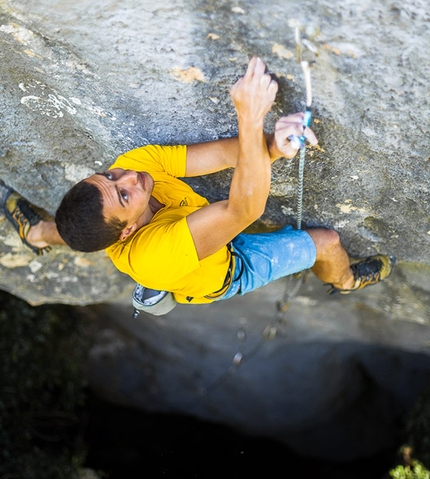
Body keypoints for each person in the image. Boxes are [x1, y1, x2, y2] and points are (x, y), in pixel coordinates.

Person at [2, 57, 394, 305]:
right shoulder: (153, 253)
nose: (130, 176)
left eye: (108, 176)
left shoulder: (130, 171)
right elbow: (244, 210)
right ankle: (344, 280)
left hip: (183, 236)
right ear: (130, 231)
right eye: (123, 194)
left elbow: (224, 155)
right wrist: (250, 116)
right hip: (226, 269)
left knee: (87, 230)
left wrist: (272, 145)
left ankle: (38, 233)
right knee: (326, 243)